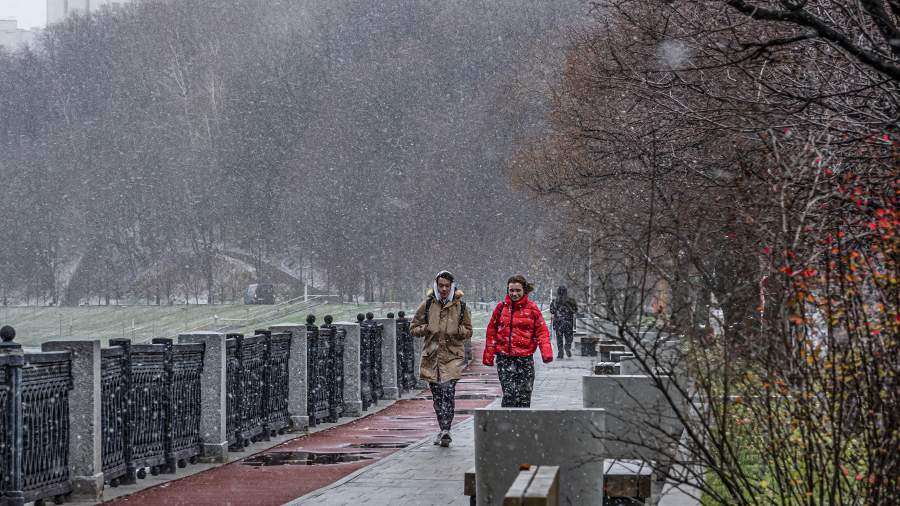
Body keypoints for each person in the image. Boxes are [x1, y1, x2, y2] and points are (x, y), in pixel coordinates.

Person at [410, 270, 473, 447]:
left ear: (452, 286)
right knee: (438, 396)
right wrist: (426, 328)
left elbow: (469, 330)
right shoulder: (428, 304)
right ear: (436, 286)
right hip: (432, 357)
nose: (444, 289)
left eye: (447, 286)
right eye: (441, 285)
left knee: (448, 392)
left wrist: (457, 331)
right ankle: (442, 428)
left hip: (452, 356)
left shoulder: (461, 306)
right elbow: (413, 328)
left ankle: (446, 429)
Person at [482, 275, 553, 407]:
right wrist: (489, 355)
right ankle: (507, 424)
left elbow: (542, 332)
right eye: (511, 290)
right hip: (505, 359)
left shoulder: (532, 309)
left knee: (524, 395)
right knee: (509, 394)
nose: (514, 293)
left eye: (517, 290)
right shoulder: (500, 308)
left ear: (524, 291)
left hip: (524, 359)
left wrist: (546, 353)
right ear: (507, 290)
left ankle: (521, 425)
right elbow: (491, 331)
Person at [550, 286, 579, 358]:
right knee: (569, 337)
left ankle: (560, 352)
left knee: (559, 338)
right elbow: (575, 310)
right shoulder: (571, 300)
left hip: (558, 322)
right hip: (568, 322)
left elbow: (552, 311)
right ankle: (567, 347)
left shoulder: (555, 301)